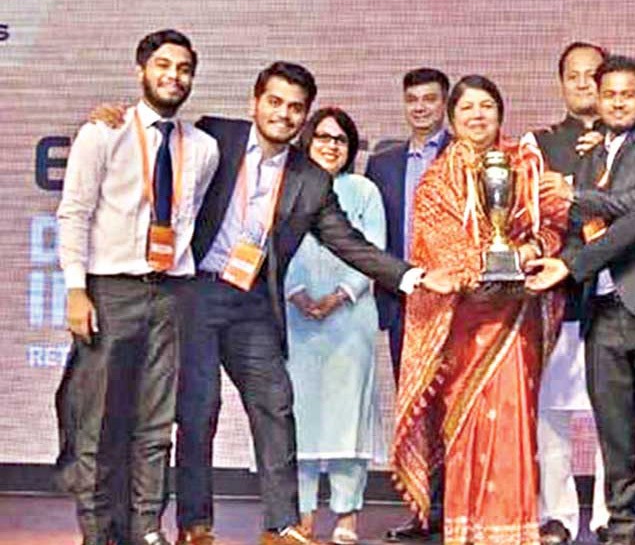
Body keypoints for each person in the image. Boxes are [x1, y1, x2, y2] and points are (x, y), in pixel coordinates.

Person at [87, 62, 456, 545]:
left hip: (253, 302)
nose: (283, 114)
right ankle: (196, 525)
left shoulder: (311, 179)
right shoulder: (216, 136)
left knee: (277, 404)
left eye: (295, 108)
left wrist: (412, 276)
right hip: (197, 292)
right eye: (275, 102)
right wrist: (112, 118)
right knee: (199, 411)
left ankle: (282, 524)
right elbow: (158, 143)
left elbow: (350, 243)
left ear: (303, 118)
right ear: (254, 103)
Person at [55, 29, 219, 545]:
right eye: (163, 65)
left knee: (156, 425)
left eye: (184, 69)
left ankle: (147, 528)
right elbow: (75, 213)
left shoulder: (204, 147)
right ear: (141, 70)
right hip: (110, 292)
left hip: (171, 295)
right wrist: (76, 289)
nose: (174, 76)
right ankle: (100, 533)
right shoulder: (103, 132)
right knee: (99, 425)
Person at [392, 75, 570, 545]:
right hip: (464, 318)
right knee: (468, 422)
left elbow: (552, 225)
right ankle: (466, 529)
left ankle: (512, 528)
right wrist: (482, 268)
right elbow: (437, 245)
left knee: (513, 413)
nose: (477, 115)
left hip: (515, 315)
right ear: (452, 118)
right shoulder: (436, 180)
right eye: (467, 107)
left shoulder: (527, 167)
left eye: (486, 106)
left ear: (500, 113)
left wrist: (531, 249)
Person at [527, 55, 635, 545]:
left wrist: (575, 195)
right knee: (613, 427)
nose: (618, 101)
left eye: (628, 93)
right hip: (601, 309)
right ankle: (619, 527)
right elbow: (584, 231)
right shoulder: (591, 155)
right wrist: (562, 264)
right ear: (596, 100)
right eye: (609, 93)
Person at [283, 108, 385, 545]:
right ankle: (301, 516)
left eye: (340, 140)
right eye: (322, 137)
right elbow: (269, 246)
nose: (330, 145)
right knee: (299, 420)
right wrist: (297, 294)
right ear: (306, 141)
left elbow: (374, 250)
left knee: (349, 422)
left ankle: (346, 516)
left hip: (350, 318)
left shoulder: (363, 190)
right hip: (293, 317)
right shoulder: (287, 186)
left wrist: (340, 294)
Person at [529, 41, 611, 545]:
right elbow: (532, 212)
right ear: (561, 83)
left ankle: (608, 517)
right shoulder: (539, 143)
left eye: (593, 75)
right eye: (574, 76)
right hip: (558, 293)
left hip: (617, 293)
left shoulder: (633, 142)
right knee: (552, 409)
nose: (583, 84)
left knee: (615, 412)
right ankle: (557, 514)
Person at [366, 68, 453, 542]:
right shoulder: (384, 163)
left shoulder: (465, 155)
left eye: (430, 99)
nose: (420, 107)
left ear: (444, 104)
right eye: (413, 100)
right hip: (405, 303)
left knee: (457, 408)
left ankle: (461, 507)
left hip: (457, 305)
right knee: (416, 411)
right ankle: (425, 510)